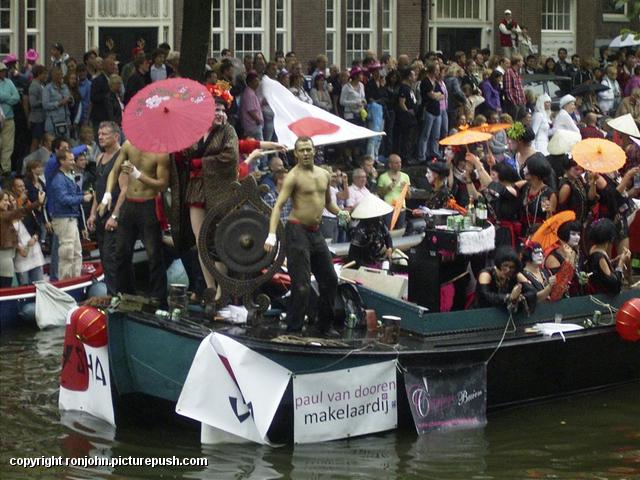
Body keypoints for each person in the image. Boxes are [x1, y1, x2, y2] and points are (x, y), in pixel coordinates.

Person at [264, 136, 350, 337]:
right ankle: (293, 329)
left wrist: (340, 212)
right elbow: (278, 206)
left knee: (329, 279)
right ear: (295, 154)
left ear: (313, 151)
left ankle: (324, 326)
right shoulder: (293, 176)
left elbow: (328, 203)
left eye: (308, 150)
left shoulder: (323, 174)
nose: (305, 153)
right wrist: (271, 234)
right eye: (301, 150)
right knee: (301, 285)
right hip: (296, 230)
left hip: (315, 231)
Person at [102, 140, 170, 303]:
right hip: (129, 204)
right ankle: (124, 293)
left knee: (154, 253)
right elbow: (114, 170)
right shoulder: (128, 144)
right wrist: (108, 194)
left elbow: (162, 185)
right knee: (121, 252)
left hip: (148, 203)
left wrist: (138, 175)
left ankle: (157, 296)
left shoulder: (160, 151)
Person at [48, 150, 93, 279]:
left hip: (71, 217)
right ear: (62, 161)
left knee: (77, 251)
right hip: (63, 218)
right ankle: (66, 280)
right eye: (71, 160)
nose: (73, 162)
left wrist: (82, 194)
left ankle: (76, 277)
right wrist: (82, 199)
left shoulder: (68, 175)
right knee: (67, 251)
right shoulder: (58, 179)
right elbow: (63, 199)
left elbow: (71, 196)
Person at [0, 190, 46, 287]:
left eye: (9, 200)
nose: (8, 203)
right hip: (5, 258)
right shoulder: (3, 215)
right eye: (5, 200)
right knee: (5, 288)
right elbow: (21, 211)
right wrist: (38, 202)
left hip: (10, 256)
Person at [476, 246, 536, 311]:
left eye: (511, 267)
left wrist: (519, 298)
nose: (508, 270)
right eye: (505, 266)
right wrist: (509, 297)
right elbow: (486, 296)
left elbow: (532, 292)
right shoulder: (486, 274)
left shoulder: (516, 275)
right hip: (482, 312)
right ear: (498, 264)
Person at [347, 193, 393, 267]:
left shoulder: (380, 224)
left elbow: (388, 237)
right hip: (361, 264)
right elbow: (353, 255)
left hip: (375, 259)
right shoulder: (360, 231)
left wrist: (389, 248)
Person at [586, 218, 630, 295]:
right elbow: (614, 285)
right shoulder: (600, 258)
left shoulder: (593, 248)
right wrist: (621, 263)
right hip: (603, 297)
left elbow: (600, 271)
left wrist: (613, 261)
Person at [377, 154, 411, 229]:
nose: (399, 165)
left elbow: (409, 196)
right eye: (396, 163)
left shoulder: (405, 176)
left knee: (400, 230)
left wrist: (404, 189)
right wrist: (387, 189)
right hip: (388, 209)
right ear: (390, 165)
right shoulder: (383, 177)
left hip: (401, 208)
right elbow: (379, 195)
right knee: (388, 230)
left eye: (400, 162)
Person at [0, 61, 20, 174]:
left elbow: (16, 97)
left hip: (9, 118)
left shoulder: (9, 82)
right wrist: (8, 97)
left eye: (4, 71)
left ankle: (5, 170)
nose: (3, 73)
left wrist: (3, 98)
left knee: (8, 145)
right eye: (1, 71)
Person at [43, 67, 72, 138]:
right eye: (58, 74)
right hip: (53, 121)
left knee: (66, 143)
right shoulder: (47, 88)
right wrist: (59, 103)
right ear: (53, 76)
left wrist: (70, 100)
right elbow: (45, 105)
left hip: (65, 120)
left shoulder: (65, 87)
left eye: (61, 74)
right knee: (53, 143)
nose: (60, 76)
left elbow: (70, 99)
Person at [240, 71, 263, 140]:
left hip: (253, 125)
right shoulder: (249, 94)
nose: (258, 83)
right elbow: (250, 110)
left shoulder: (251, 92)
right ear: (250, 82)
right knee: (259, 145)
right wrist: (258, 120)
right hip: (253, 125)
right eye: (255, 81)